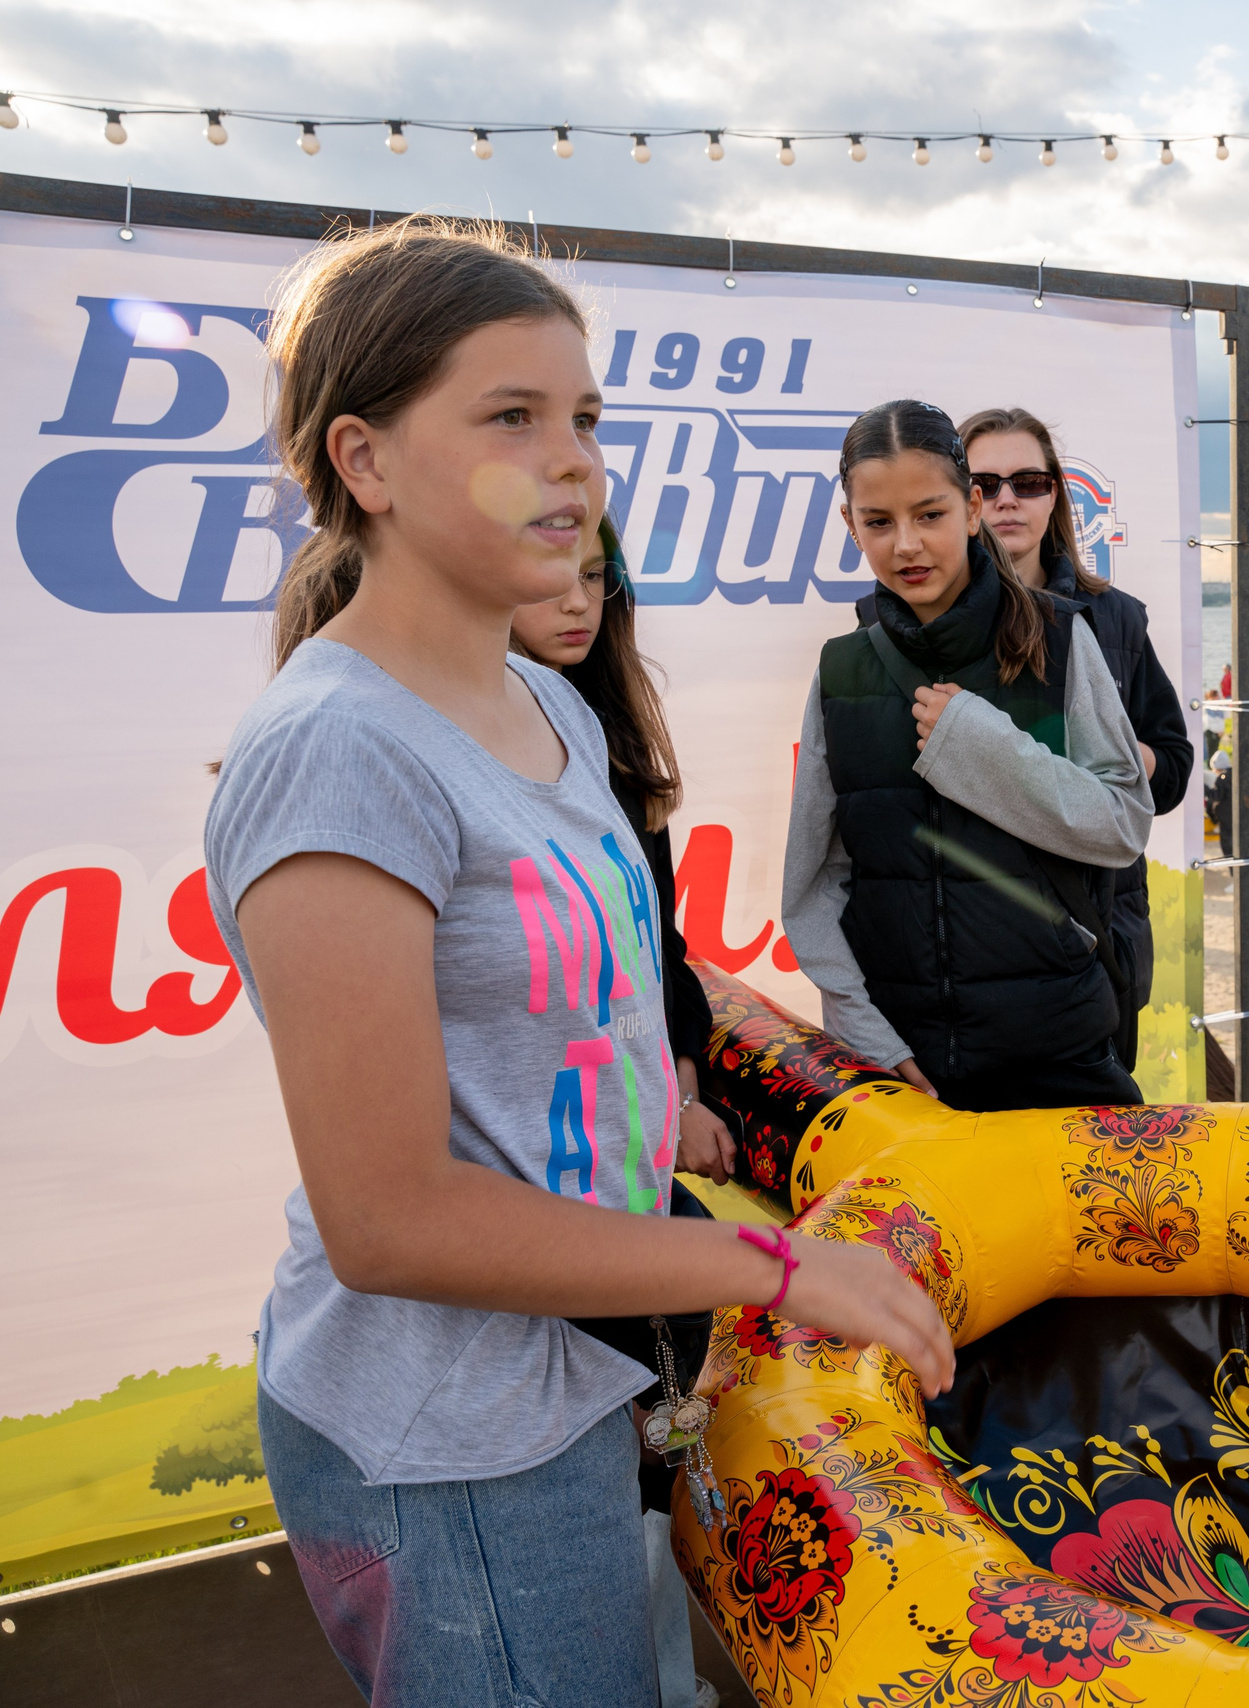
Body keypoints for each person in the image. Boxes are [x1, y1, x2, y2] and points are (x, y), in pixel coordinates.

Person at [203, 218, 953, 1703]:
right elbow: (391, 1219)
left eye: (587, 420)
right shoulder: (340, 750)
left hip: (569, 1391)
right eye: (510, 418)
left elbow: (568, 1009)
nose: (575, 463)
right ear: (363, 461)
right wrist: (780, 1265)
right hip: (450, 1443)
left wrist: (645, 1102)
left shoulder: (541, 708)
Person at [510, 516, 736, 1701]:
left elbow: (664, 958)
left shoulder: (605, 748)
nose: (577, 601)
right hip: (527, 1228)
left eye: (597, 577)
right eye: (552, 575)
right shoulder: (409, 750)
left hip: (621, 1188)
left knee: (651, 1466)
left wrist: (682, 1084)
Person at [781, 399, 1153, 1113]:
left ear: (973, 507)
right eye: (878, 522)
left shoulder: (1060, 641)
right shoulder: (842, 672)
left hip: (1061, 1060)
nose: (907, 545)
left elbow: (1123, 824)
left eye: (930, 514)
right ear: (848, 524)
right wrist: (869, 1038)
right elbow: (812, 887)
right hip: (901, 1073)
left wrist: (985, 750)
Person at [962, 408, 1195, 1072]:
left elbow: (1173, 766)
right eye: (986, 483)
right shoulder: (927, 625)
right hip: (974, 939)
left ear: (1055, 492)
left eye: (1028, 481)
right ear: (961, 497)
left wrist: (1109, 754)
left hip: (1097, 939)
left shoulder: (1115, 619)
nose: (1007, 499)